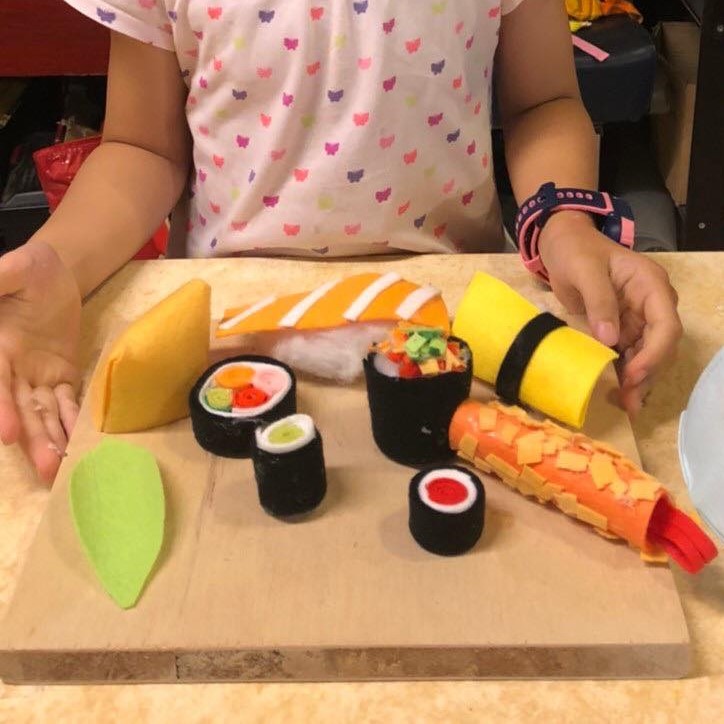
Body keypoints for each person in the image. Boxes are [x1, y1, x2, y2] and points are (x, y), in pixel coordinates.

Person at [0, 0, 682, 481]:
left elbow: (543, 102)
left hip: (453, 323)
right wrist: (58, 261)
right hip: (232, 333)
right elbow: (143, 147)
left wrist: (563, 221)